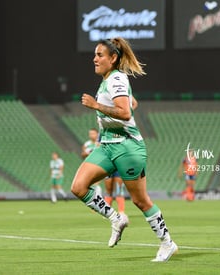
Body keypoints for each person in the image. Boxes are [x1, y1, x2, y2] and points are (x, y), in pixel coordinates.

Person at [71, 37, 177, 262]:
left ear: (113, 58)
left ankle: (167, 243)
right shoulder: (110, 80)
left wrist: (96, 105)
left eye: (100, 55)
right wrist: (127, 101)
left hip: (127, 148)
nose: (95, 59)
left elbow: (126, 112)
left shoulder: (116, 78)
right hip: (107, 146)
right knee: (79, 187)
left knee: (141, 201)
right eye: (95, 54)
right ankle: (116, 218)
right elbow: (131, 104)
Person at [81, 128, 102, 195]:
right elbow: (83, 154)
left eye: (93, 133)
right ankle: (94, 197)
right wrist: (86, 154)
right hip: (89, 165)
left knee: (96, 182)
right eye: (90, 134)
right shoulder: (86, 144)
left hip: (98, 164)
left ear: (97, 134)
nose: (91, 135)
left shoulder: (100, 143)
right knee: (89, 183)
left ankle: (98, 197)